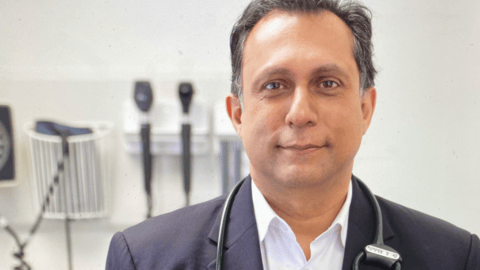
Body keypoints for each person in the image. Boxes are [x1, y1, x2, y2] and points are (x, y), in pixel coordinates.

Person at [106, 0, 480, 269]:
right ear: (238, 113)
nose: (300, 113)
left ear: (365, 109)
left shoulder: (454, 258)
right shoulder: (144, 258)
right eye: (274, 85)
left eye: (327, 83)